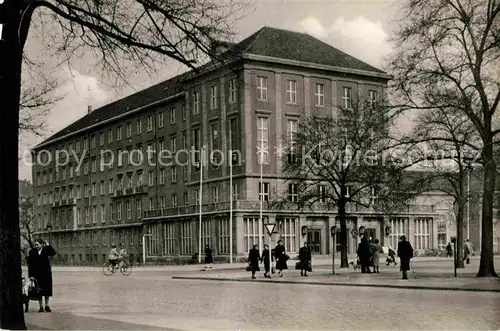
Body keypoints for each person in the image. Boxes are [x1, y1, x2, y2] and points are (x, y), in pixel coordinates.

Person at [28, 238, 56, 312]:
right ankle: (41, 307)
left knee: (47, 290)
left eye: (37, 244)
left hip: (46, 274)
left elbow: (53, 253)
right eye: (35, 245)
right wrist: (31, 275)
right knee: (39, 291)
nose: (36, 246)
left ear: (41, 245)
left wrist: (48, 245)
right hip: (37, 275)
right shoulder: (32, 252)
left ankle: (47, 305)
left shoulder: (46, 250)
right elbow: (30, 265)